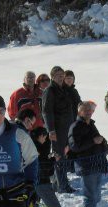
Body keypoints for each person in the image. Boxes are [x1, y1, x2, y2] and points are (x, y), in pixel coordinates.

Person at [67, 101, 108, 207]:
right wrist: (93, 141)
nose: (88, 112)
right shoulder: (75, 126)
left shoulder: (91, 124)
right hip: (86, 165)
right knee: (90, 195)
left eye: (90, 110)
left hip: (97, 163)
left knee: (97, 194)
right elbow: (74, 146)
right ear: (79, 112)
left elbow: (99, 139)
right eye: (85, 110)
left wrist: (105, 147)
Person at [41, 65, 76, 193]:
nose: (61, 78)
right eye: (58, 76)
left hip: (68, 127)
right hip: (58, 129)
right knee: (59, 156)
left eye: (62, 76)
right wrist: (51, 130)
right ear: (52, 77)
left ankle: (58, 183)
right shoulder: (50, 91)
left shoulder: (65, 89)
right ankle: (62, 185)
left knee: (65, 155)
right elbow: (46, 112)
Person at [30, 126, 66, 207]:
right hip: (41, 181)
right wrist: (54, 159)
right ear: (41, 136)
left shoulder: (33, 145)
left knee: (33, 202)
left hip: (32, 181)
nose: (46, 139)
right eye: (45, 137)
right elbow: (44, 166)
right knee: (51, 201)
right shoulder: (36, 148)